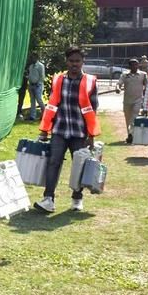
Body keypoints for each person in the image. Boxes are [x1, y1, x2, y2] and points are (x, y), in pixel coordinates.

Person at [36, 47, 100, 213]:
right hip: (59, 129)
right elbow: (51, 105)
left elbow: (93, 109)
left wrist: (91, 135)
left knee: (79, 165)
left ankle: (77, 199)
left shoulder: (90, 81)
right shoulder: (58, 79)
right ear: (67, 61)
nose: (74, 64)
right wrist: (44, 130)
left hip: (79, 132)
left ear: (82, 62)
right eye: (71, 61)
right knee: (53, 163)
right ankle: (48, 199)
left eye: (77, 61)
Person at [116, 58, 148, 142]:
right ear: (129, 66)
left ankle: (132, 134)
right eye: (132, 65)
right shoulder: (125, 74)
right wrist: (118, 88)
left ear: (138, 65)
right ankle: (130, 134)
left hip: (137, 100)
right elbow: (119, 83)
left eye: (136, 64)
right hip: (127, 101)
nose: (134, 66)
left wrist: (146, 97)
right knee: (128, 119)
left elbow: (147, 86)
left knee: (134, 117)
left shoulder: (143, 74)